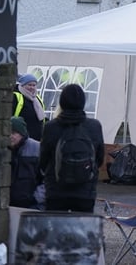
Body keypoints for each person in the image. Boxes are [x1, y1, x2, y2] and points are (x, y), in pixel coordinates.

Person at [38, 84, 105, 212]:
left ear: (61, 102)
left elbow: (43, 161)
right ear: (83, 102)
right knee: (82, 230)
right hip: (85, 191)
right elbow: (99, 158)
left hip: (56, 190)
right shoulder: (94, 126)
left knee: (56, 229)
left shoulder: (51, 127)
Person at [9, 116, 44, 209]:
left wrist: (36, 198)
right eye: (8, 133)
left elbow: (47, 179)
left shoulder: (37, 149)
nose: (10, 136)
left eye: (13, 133)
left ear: (22, 134)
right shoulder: (5, 150)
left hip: (32, 205)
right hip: (9, 204)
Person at [12, 73, 46, 141]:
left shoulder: (36, 98)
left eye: (34, 85)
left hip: (37, 138)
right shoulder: (16, 96)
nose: (32, 87)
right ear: (22, 85)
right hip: (22, 138)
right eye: (29, 85)